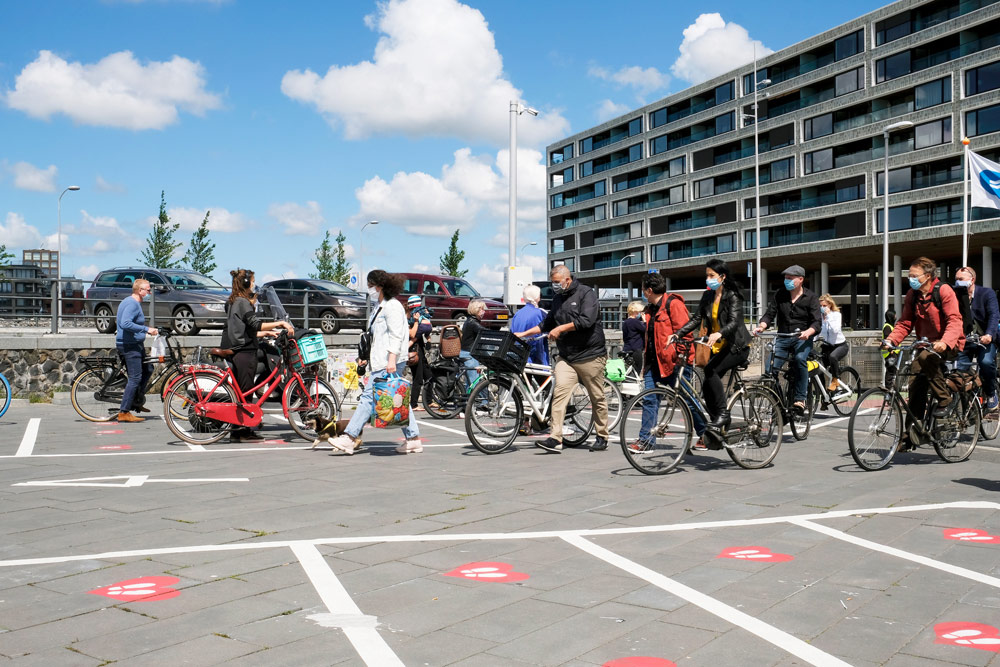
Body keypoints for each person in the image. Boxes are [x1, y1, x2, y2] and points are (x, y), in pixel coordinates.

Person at [515, 264, 609, 453]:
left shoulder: (586, 293)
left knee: (596, 396)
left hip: (590, 354)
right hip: (567, 356)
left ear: (567, 279)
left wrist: (561, 328)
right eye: (553, 282)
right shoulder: (558, 298)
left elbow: (587, 320)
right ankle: (556, 438)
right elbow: (546, 324)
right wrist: (522, 334)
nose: (554, 285)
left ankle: (602, 435)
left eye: (557, 282)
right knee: (559, 395)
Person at [329, 270, 422, 454]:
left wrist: (392, 360)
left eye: (370, 285)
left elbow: (396, 335)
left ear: (378, 286)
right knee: (398, 399)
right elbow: (376, 337)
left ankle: (349, 437)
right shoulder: (380, 307)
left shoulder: (392, 307)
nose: (369, 288)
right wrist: (365, 357)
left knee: (367, 399)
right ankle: (413, 439)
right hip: (381, 360)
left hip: (388, 361)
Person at [674, 259, 750, 449]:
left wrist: (719, 333)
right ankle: (718, 420)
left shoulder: (732, 296)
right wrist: (678, 334)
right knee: (707, 379)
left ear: (722, 277)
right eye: (706, 275)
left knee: (711, 370)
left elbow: (734, 322)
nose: (708, 279)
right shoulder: (707, 296)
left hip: (737, 346)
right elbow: (697, 318)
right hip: (719, 347)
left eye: (711, 276)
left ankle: (722, 415)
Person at [884, 257, 964, 434]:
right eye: (909, 275)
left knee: (925, 358)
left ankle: (945, 400)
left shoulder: (943, 291)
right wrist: (891, 340)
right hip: (926, 345)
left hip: (949, 343)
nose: (910, 279)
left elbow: (954, 320)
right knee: (915, 383)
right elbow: (905, 322)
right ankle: (911, 433)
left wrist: (945, 341)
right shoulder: (913, 296)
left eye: (914, 275)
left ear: (927, 276)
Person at [632, 272, 707, 449]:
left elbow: (685, 334)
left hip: (674, 362)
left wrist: (680, 357)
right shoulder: (650, 309)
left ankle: (705, 433)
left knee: (687, 400)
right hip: (653, 362)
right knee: (650, 399)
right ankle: (646, 441)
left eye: (643, 289)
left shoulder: (674, 304)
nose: (642, 293)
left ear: (649, 290)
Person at [220, 269, 293, 442]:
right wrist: (281, 323)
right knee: (245, 393)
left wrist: (267, 333)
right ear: (246, 283)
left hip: (238, 349)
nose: (254, 284)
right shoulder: (242, 302)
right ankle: (241, 432)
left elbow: (244, 328)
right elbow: (256, 324)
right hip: (245, 351)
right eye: (252, 281)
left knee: (242, 392)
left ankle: (241, 429)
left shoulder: (232, 301)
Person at [753, 264, 821, 413]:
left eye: (790, 278)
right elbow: (769, 314)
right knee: (770, 369)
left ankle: (800, 399)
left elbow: (817, 322)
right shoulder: (780, 294)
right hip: (783, 337)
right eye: (785, 278)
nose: (786, 281)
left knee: (799, 360)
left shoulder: (811, 297)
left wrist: (808, 332)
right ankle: (777, 401)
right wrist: (762, 326)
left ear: (800, 279)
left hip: (802, 338)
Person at [955, 266, 999, 409]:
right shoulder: (956, 296)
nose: (957, 282)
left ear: (972, 280)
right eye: (956, 279)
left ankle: (991, 392)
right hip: (965, 340)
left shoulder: (987, 293)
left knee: (985, 362)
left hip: (984, 339)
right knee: (958, 370)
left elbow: (994, 315)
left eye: (960, 279)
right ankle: (967, 401)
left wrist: (989, 334)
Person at [115, 278, 158, 423]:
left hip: (134, 343)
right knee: (135, 377)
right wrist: (147, 329)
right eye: (148, 290)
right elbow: (125, 323)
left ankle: (136, 400)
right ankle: (124, 411)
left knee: (148, 368)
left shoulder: (130, 302)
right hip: (129, 345)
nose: (150, 292)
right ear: (140, 291)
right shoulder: (132, 304)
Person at [510, 285, 549, 366]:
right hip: (536, 356)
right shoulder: (540, 312)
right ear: (536, 296)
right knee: (544, 378)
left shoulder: (518, 313)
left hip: (519, 355)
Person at [819, 293, 849, 394]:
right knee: (818, 366)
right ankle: (823, 393)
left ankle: (836, 380)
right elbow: (818, 331)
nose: (822, 308)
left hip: (840, 345)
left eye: (824, 306)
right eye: (821, 306)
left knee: (833, 357)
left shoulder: (836, 315)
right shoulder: (820, 317)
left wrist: (828, 317)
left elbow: (835, 330)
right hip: (828, 346)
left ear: (830, 305)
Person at [406, 295, 432, 411]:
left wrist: (427, 338)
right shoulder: (409, 319)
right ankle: (414, 404)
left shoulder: (419, 317)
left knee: (429, 376)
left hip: (419, 348)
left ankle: (429, 401)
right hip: (413, 351)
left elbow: (423, 332)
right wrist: (416, 321)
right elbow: (411, 334)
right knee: (418, 378)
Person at [459, 300, 485, 390]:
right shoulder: (473, 323)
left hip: (466, 352)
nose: (483, 311)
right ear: (476, 310)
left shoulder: (469, 320)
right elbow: (483, 332)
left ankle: (469, 401)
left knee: (470, 382)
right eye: (482, 309)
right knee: (475, 382)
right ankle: (478, 402)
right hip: (469, 354)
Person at [621, 300, 646, 374]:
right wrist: (644, 321)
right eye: (639, 312)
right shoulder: (635, 322)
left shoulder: (625, 322)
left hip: (627, 347)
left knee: (629, 369)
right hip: (636, 348)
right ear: (635, 311)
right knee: (637, 369)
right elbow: (645, 329)